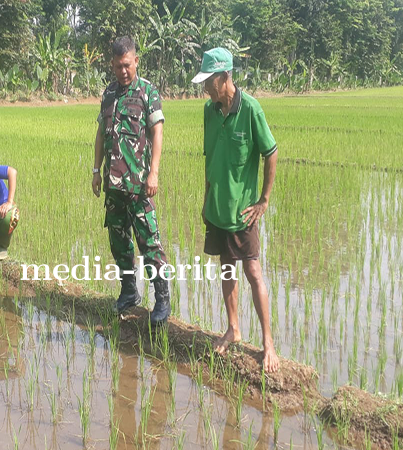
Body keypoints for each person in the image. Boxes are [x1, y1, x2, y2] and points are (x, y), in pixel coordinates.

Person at [191, 47, 280, 373]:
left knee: (253, 271)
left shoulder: (251, 109)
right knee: (227, 269)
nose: (205, 87)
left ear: (225, 76)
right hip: (217, 208)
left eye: (208, 81)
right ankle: (233, 328)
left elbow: (271, 152)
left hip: (243, 212)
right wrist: (206, 198)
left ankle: (268, 343)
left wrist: (263, 200)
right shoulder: (209, 110)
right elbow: (210, 157)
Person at [91, 36, 171, 328]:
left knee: (149, 242)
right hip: (113, 184)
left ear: (136, 61)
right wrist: (96, 170)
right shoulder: (109, 93)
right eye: (117, 66)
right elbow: (101, 134)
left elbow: (157, 132)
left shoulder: (148, 91)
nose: (123, 71)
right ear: (112, 65)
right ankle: (128, 292)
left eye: (127, 65)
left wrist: (154, 172)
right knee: (119, 241)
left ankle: (162, 299)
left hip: (138, 185)